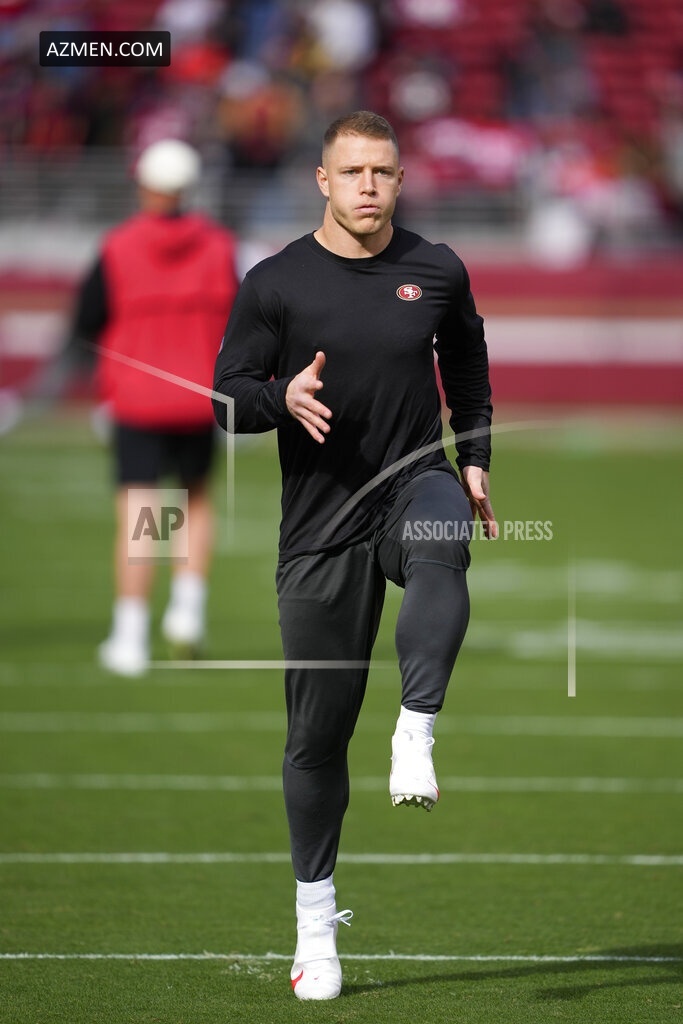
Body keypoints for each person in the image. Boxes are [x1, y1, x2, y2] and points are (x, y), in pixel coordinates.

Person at [212, 110, 496, 1000]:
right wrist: (278, 398)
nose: (368, 186)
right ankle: (314, 925)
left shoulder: (437, 268)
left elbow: (469, 366)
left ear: (399, 181)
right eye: (352, 172)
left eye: (382, 172)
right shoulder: (274, 282)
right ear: (323, 182)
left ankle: (416, 728)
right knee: (315, 737)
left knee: (442, 540)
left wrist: (474, 457)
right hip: (319, 524)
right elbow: (224, 400)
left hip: (416, 481)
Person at [77, 138, 241, 676]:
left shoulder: (118, 246)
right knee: (195, 501)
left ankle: (130, 636)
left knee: (143, 512)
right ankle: (187, 612)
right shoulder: (220, 246)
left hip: (139, 400)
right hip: (198, 397)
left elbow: (86, 323)